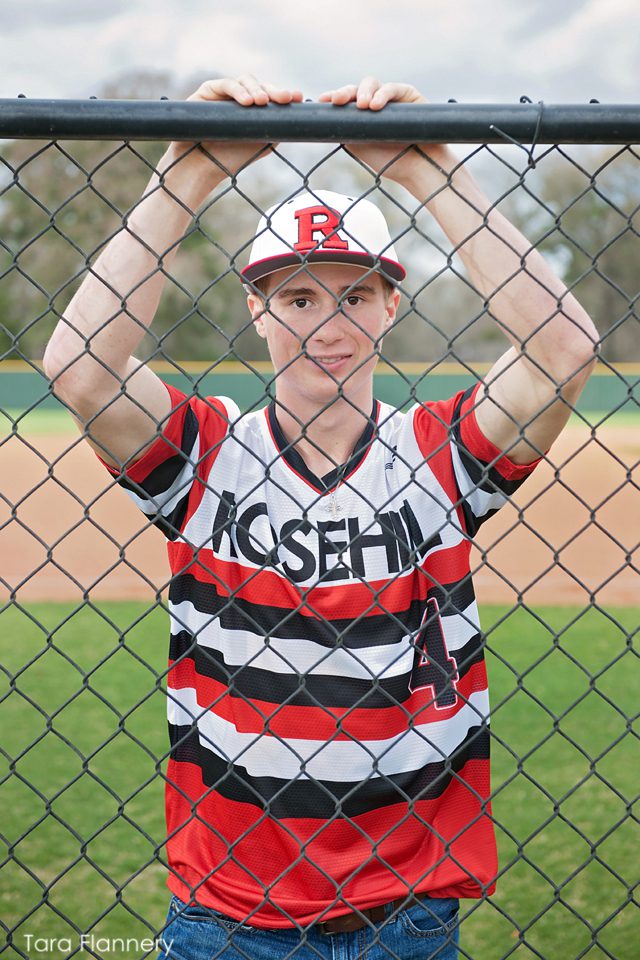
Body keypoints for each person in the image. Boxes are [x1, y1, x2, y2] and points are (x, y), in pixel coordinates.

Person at [43, 76, 598, 960]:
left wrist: (430, 172)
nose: (327, 325)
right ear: (257, 311)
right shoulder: (208, 456)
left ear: (390, 307)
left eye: (353, 295)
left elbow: (564, 348)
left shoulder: (437, 452)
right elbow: (79, 367)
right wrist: (184, 177)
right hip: (227, 911)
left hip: (406, 911)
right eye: (298, 298)